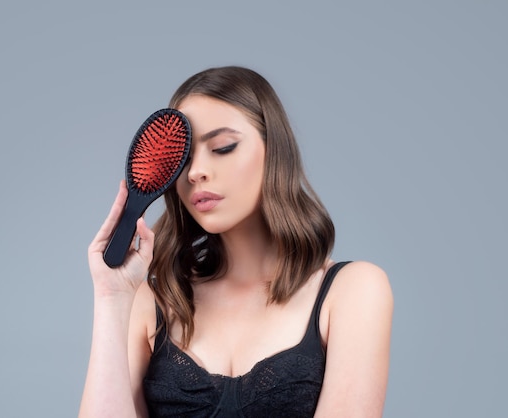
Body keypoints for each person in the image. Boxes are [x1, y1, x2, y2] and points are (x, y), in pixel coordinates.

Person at [78, 66, 393, 418]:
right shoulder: (153, 303)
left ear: (275, 151)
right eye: (182, 160)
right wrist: (111, 296)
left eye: (223, 147)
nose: (196, 171)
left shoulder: (352, 291)